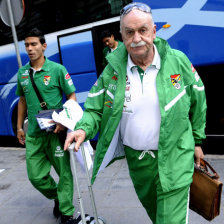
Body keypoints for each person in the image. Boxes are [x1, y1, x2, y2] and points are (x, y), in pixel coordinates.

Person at [64, 2, 207, 224]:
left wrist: (197, 141)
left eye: (142, 30)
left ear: (153, 31)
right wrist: (83, 128)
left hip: (175, 157)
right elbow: (93, 107)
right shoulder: (113, 70)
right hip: (139, 163)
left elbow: (199, 98)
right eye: (129, 32)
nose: (136, 38)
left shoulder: (177, 61)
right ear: (121, 35)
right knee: (156, 215)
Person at [16, 28, 78, 224]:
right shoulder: (22, 73)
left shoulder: (58, 70)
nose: (29, 48)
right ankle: (58, 197)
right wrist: (19, 127)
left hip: (56, 133)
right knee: (35, 177)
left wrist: (64, 121)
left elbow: (72, 97)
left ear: (43, 46)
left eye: (33, 44)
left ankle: (67, 213)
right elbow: (22, 100)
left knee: (64, 174)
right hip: (34, 134)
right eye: (26, 45)